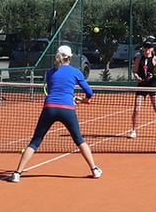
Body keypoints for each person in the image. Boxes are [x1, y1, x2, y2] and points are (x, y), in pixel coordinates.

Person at [7, 45, 102, 183]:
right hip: (67, 109)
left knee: (35, 141)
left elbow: (54, 89)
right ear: (70, 58)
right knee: (79, 140)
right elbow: (90, 92)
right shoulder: (76, 72)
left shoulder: (50, 73)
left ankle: (17, 173)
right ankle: (94, 170)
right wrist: (83, 100)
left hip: (49, 108)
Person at [130, 42, 156, 138]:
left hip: (152, 86)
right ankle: (133, 131)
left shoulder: (155, 59)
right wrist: (137, 77)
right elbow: (135, 71)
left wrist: (153, 76)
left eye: (149, 48)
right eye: (145, 47)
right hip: (141, 86)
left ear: (152, 49)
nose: (147, 49)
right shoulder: (138, 59)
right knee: (137, 109)